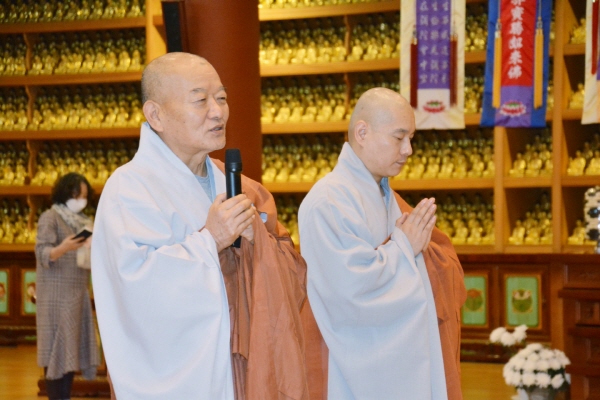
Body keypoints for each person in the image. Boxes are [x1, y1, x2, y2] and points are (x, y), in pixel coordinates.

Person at [91, 52, 308, 400]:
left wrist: (259, 242)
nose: (218, 111)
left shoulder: (239, 186)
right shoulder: (129, 189)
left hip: (242, 371)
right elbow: (136, 293)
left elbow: (294, 278)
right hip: (184, 380)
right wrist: (212, 240)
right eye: (200, 100)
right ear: (156, 115)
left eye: (221, 98)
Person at [298, 88, 467, 400]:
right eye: (399, 137)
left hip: (397, 361)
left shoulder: (386, 195)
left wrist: (416, 249)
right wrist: (404, 247)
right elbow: (350, 292)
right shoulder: (328, 201)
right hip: (350, 367)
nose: (408, 150)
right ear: (362, 133)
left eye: (411, 138)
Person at [34, 172, 99, 400]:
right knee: (55, 351)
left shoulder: (85, 222)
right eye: (76, 195)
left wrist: (91, 246)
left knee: (70, 350)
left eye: (84, 196)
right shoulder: (50, 217)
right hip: (55, 296)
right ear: (65, 193)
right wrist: (65, 247)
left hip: (77, 292)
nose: (80, 200)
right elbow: (42, 253)